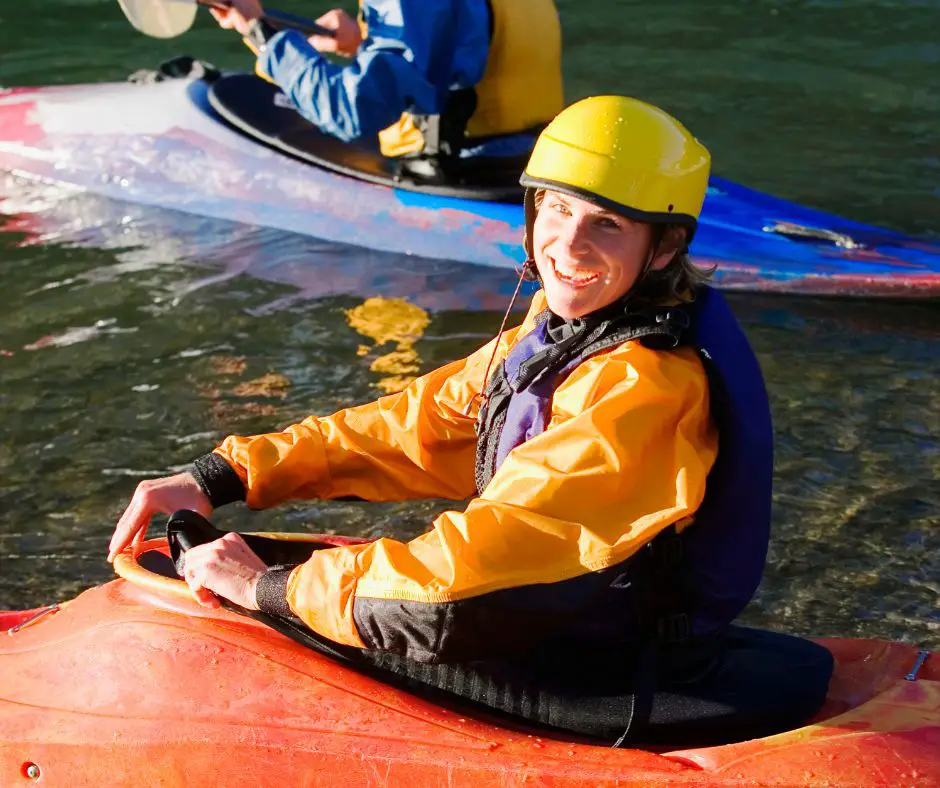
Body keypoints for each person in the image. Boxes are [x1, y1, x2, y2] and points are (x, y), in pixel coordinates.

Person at [109, 95, 833, 747]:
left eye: (607, 225)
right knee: (259, 566)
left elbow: (449, 594)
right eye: (555, 210)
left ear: (665, 247)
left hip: (598, 668)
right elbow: (410, 428)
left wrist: (266, 590)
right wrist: (225, 473)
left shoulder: (644, 389)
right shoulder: (565, 333)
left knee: (274, 597)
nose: (570, 246)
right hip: (562, 619)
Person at [210, 0, 564, 160]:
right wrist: (365, 41)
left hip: (457, 171)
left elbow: (352, 113)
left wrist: (260, 32)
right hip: (532, 160)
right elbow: (459, 44)